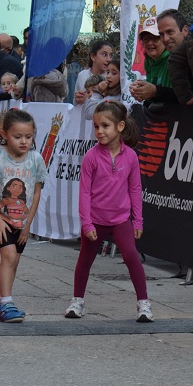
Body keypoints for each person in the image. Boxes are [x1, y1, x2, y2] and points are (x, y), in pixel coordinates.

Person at [65, 101, 152, 322]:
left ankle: (144, 304)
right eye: (96, 126)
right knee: (85, 260)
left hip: (121, 220)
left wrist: (138, 221)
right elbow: (84, 193)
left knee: (132, 256)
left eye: (105, 126)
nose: (99, 131)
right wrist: (87, 223)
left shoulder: (131, 156)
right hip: (95, 220)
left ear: (120, 126)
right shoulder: (91, 157)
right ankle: (77, 301)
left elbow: (135, 189)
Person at [0, 109, 46, 323]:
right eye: (18, 137)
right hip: (0, 217)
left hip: (22, 221)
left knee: (14, 260)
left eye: (28, 137)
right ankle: (7, 304)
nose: (24, 141)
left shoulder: (36, 159)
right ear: (5, 134)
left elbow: (36, 193)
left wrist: (28, 225)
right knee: (8, 256)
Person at [129, 18, 178, 106]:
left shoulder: (174, 59)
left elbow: (180, 96)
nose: (150, 43)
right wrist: (141, 91)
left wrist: (154, 91)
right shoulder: (148, 61)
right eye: (146, 39)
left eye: (155, 38)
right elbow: (155, 96)